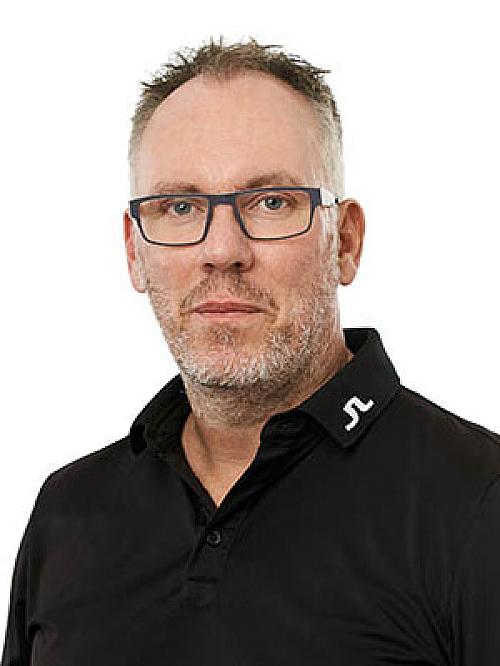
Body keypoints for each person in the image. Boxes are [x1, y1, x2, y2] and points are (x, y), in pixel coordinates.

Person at [2, 35, 500, 666]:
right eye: (179, 206)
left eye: (270, 203)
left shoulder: (478, 504)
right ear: (134, 251)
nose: (222, 250)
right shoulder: (68, 513)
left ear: (345, 242)